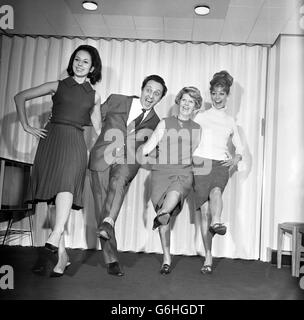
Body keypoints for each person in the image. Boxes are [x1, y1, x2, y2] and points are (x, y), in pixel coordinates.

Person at [14, 45, 102, 277]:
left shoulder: (94, 95)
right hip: (51, 140)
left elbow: (99, 127)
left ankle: (54, 237)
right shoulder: (58, 85)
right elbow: (20, 96)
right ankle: (62, 255)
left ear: (92, 68)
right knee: (53, 201)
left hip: (75, 142)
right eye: (77, 59)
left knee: (66, 186)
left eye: (85, 62)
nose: (80, 64)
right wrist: (26, 125)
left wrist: (120, 139)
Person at [88, 74, 167, 276]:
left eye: (157, 94)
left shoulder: (157, 122)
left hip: (127, 162)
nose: (151, 96)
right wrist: (99, 136)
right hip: (101, 158)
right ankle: (111, 257)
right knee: (102, 208)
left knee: (119, 182)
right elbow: (96, 115)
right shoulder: (117, 99)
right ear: (142, 88)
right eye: (149, 90)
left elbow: (155, 148)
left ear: (160, 99)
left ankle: (110, 224)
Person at [137, 86, 202, 274]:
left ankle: (163, 212)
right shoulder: (165, 123)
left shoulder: (197, 129)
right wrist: (139, 154)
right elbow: (149, 146)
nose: (186, 104)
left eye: (191, 101)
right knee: (164, 223)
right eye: (184, 100)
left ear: (196, 106)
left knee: (175, 192)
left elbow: (197, 152)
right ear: (179, 102)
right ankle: (166, 257)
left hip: (183, 172)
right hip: (160, 173)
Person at [193, 70, 243, 274]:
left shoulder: (230, 121)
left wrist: (235, 158)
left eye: (221, 93)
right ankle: (208, 255)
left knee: (216, 192)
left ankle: (217, 222)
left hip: (220, 165)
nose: (217, 97)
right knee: (204, 212)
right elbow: (188, 136)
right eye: (214, 93)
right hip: (201, 163)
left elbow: (239, 148)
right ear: (210, 94)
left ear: (227, 96)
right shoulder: (200, 116)